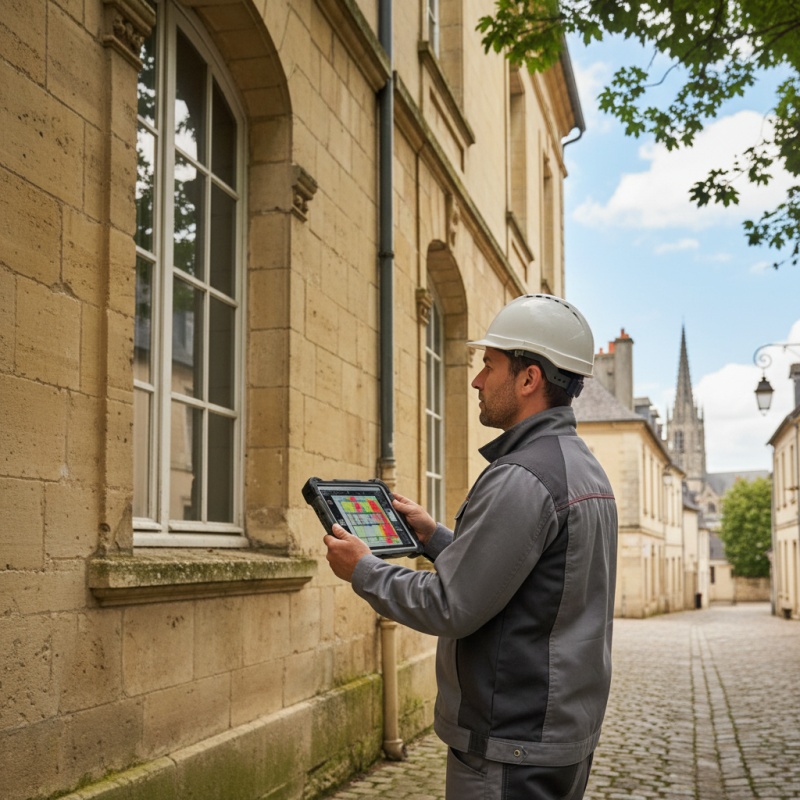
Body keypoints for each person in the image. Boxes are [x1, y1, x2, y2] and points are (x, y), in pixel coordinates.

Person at [324, 294, 617, 800]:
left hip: (509, 745)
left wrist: (363, 569)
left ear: (529, 379)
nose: (477, 380)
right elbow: (530, 578)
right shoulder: (582, 467)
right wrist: (435, 537)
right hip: (559, 736)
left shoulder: (521, 476)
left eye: (489, 365)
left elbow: (451, 605)